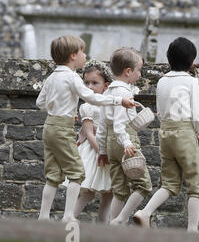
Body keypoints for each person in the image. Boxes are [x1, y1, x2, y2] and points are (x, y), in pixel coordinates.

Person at [36, 36, 136, 223]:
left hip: (49, 126)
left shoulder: (52, 77)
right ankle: (68, 216)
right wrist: (118, 100)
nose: (84, 56)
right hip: (62, 129)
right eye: (82, 52)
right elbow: (92, 98)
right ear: (73, 56)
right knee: (76, 173)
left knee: (52, 175)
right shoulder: (72, 77)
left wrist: (62, 110)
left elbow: (40, 102)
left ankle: (43, 216)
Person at [133, 37, 199, 232]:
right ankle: (192, 230)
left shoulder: (162, 80)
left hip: (165, 131)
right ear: (191, 63)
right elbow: (196, 112)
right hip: (184, 131)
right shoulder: (191, 81)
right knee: (195, 183)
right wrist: (195, 132)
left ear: (168, 60)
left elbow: (161, 108)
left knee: (170, 183)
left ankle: (145, 212)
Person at [96, 47, 153, 226]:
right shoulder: (124, 93)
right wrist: (127, 142)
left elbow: (103, 125)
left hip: (111, 143)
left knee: (119, 189)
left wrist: (103, 150)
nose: (140, 74)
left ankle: (112, 226)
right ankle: (120, 219)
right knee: (144, 185)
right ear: (128, 71)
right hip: (124, 140)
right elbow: (121, 123)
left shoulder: (108, 92)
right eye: (139, 70)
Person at [70, 60, 114, 223]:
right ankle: (69, 217)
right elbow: (89, 133)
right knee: (88, 192)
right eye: (86, 83)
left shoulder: (108, 105)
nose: (89, 87)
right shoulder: (88, 106)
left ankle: (104, 230)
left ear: (106, 85)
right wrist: (101, 152)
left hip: (106, 150)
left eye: (95, 83)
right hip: (94, 152)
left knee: (108, 194)